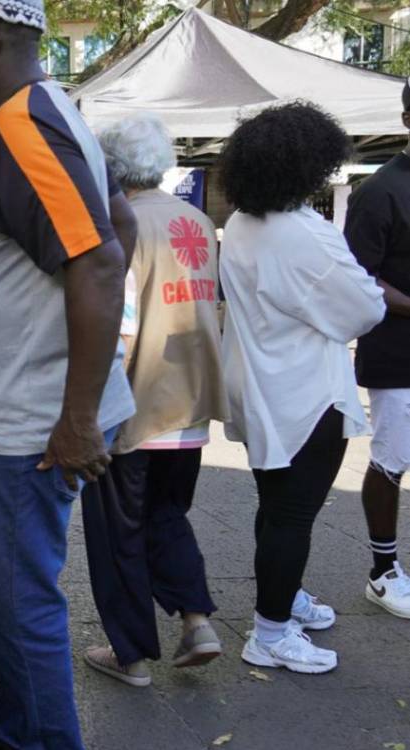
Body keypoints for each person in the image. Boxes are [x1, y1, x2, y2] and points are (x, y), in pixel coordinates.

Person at [0, 1, 138, 746]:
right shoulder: (42, 113)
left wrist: (77, 415)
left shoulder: (25, 124)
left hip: (37, 423)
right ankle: (14, 722)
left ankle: (43, 737)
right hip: (22, 409)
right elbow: (120, 223)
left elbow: (101, 259)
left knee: (18, 601)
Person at [218, 102, 384, 675]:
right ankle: (269, 632)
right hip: (303, 392)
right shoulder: (300, 234)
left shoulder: (242, 221)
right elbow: (364, 309)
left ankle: (283, 601)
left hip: (262, 381)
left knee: (276, 504)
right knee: (293, 513)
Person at [79, 115, 226, 689]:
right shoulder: (196, 220)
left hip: (134, 405)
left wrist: (85, 407)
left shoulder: (122, 224)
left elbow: (118, 325)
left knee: (117, 532)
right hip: (189, 402)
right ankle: (196, 620)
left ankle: (131, 654)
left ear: (109, 167)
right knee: (166, 513)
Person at [345, 82, 410, 619]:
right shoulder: (380, 190)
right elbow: (359, 277)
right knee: (393, 460)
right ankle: (383, 572)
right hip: (398, 354)